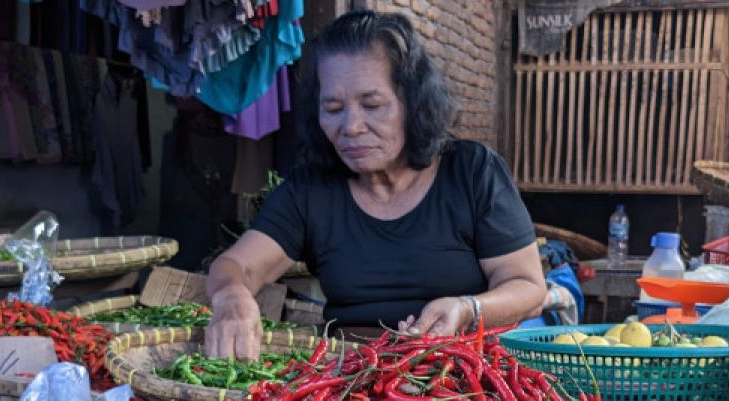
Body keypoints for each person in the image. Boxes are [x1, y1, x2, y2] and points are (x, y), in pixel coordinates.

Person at [205, 10, 546, 360]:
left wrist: (466, 309)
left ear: (413, 103)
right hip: (351, 383)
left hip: (464, 379)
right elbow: (236, 266)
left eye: (372, 105)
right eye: (333, 107)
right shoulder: (312, 190)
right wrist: (232, 297)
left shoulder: (472, 173)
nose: (351, 126)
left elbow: (528, 287)